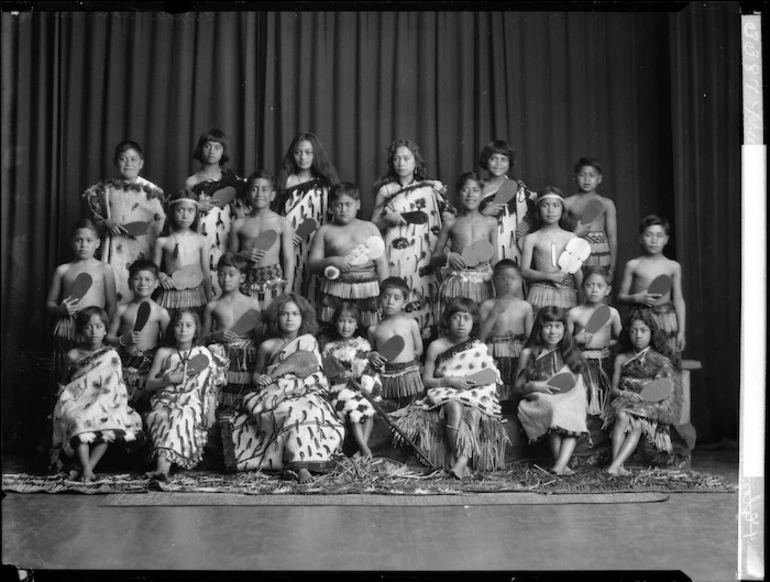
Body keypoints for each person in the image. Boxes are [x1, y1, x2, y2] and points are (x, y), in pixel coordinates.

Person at [219, 294, 344, 483]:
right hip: (274, 393)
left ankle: (301, 465)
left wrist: (297, 387)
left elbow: (315, 373)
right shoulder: (268, 346)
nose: (290, 318)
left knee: (309, 411)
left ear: (303, 318)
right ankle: (295, 465)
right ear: (277, 318)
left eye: (295, 314)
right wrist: (260, 378)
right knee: (288, 412)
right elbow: (258, 374)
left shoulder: (309, 342)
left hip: (306, 391)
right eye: (284, 314)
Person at [390, 297, 508, 478]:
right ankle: (462, 463)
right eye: (456, 317)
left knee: (474, 413)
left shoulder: (479, 347)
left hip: (475, 392)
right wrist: (449, 381)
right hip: (446, 389)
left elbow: (491, 376)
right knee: (453, 407)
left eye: (467, 318)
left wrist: (470, 383)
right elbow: (427, 380)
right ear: (448, 319)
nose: (461, 323)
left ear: (473, 321)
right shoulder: (436, 346)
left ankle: (461, 462)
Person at [371, 139, 454, 340]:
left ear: (416, 162)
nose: (401, 163)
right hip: (395, 255)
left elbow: (446, 219)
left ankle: (422, 346)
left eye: (406, 158)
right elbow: (371, 227)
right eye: (397, 159)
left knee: (424, 296)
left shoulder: (429, 189)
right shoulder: (386, 190)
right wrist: (386, 220)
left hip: (423, 255)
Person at [50, 307, 144, 481]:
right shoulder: (73, 355)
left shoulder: (110, 354)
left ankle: (87, 469)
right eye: (88, 327)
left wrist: (107, 401)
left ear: (105, 330)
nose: (94, 332)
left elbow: (115, 384)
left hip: (105, 401)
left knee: (109, 421)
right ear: (80, 331)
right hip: (77, 400)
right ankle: (86, 468)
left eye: (99, 326)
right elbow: (65, 384)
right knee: (79, 419)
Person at [143, 308, 228, 480]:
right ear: (172, 328)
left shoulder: (203, 353)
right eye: (179, 325)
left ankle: (162, 469)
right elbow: (149, 384)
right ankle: (162, 470)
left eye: (188, 325)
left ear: (196, 329)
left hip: (193, 402)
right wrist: (167, 380)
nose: (183, 330)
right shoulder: (164, 353)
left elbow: (210, 386)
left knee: (180, 415)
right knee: (162, 415)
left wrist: (210, 411)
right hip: (165, 399)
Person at [82, 140, 166, 304]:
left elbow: (161, 223)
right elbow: (94, 221)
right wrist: (106, 223)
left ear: (141, 163)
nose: (128, 164)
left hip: (144, 249)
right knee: (116, 287)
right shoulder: (105, 189)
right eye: (123, 159)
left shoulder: (152, 192)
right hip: (116, 250)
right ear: (115, 161)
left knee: (141, 287)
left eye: (133, 159)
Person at [602, 308, 683, 475]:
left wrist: (646, 403)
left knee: (637, 423)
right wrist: (626, 394)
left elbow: (666, 392)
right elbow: (614, 389)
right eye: (633, 331)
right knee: (623, 416)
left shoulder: (660, 361)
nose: (638, 336)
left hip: (649, 408)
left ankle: (614, 467)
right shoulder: (621, 358)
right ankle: (618, 466)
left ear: (651, 333)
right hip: (625, 403)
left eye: (643, 331)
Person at [515, 306, 590, 475]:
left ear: (565, 328)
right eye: (548, 326)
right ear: (539, 328)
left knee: (568, 409)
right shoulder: (529, 353)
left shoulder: (571, 353)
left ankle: (559, 465)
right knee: (555, 408)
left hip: (570, 399)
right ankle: (562, 465)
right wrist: (536, 386)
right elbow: (518, 388)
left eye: (558, 326)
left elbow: (577, 385)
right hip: (538, 399)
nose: (553, 331)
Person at [308, 181, 388, 331]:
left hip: (368, 289)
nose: (343, 209)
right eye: (338, 205)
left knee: (368, 329)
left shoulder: (370, 228)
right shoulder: (324, 231)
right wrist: (332, 261)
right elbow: (312, 264)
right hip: (336, 288)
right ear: (331, 208)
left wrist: (385, 292)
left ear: (358, 204)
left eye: (348, 204)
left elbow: (382, 263)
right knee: (333, 329)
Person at [46, 219, 117, 381]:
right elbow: (49, 304)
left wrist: (108, 331)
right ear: (72, 243)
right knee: (65, 368)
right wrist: (60, 310)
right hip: (67, 327)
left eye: (89, 240)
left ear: (97, 243)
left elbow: (112, 304)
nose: (83, 245)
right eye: (78, 240)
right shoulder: (63, 270)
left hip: (94, 326)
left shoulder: (104, 269)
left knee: (92, 372)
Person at [273, 132, 340, 298]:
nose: (303, 157)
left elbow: (333, 218)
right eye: (298, 152)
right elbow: (275, 215)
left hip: (317, 244)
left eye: (308, 152)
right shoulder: (286, 181)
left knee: (314, 287)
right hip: (290, 245)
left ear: (316, 154)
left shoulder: (327, 183)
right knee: (291, 282)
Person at [617, 215, 686, 367]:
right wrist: (637, 298)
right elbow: (621, 297)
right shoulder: (634, 265)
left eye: (659, 236)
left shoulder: (673, 266)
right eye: (649, 235)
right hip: (642, 318)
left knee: (667, 363)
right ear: (640, 238)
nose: (654, 240)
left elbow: (679, 299)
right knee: (643, 364)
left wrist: (682, 331)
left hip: (667, 320)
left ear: (666, 239)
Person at [184, 128, 246, 298]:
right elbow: (184, 212)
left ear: (223, 151)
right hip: (201, 232)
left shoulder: (231, 179)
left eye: (217, 147)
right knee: (200, 269)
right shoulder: (192, 181)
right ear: (200, 149)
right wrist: (197, 205)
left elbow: (240, 210)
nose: (212, 151)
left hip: (224, 233)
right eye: (207, 146)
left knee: (222, 270)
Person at [106, 259, 170, 413]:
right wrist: (123, 340)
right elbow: (108, 338)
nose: (142, 283)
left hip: (148, 370)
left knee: (144, 408)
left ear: (156, 284)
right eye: (137, 278)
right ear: (129, 282)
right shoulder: (122, 310)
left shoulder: (161, 312)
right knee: (122, 407)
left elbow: (169, 343)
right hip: (124, 368)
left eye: (148, 279)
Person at [431, 171, 497, 319]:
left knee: (478, 323)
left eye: (475, 190)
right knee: (456, 322)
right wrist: (448, 256)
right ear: (458, 195)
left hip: (483, 284)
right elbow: (433, 258)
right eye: (465, 189)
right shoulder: (450, 223)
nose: (470, 194)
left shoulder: (490, 223)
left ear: (482, 195)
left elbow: (495, 261)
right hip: (457, 284)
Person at [201, 252, 263, 409]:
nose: (225, 279)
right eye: (221, 274)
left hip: (246, 359)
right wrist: (215, 335)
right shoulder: (212, 306)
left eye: (231, 274)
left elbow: (259, 337)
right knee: (223, 397)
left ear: (241, 278)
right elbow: (201, 341)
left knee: (244, 398)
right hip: (224, 359)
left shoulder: (252, 303)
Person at [321, 302, 382, 459]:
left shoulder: (362, 343)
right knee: (352, 406)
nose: (346, 326)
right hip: (340, 388)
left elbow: (367, 366)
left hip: (360, 385)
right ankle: (364, 448)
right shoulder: (329, 347)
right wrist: (339, 375)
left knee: (368, 405)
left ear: (356, 325)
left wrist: (371, 358)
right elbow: (327, 371)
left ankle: (362, 450)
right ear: (336, 322)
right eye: (342, 321)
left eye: (350, 321)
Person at [230, 170, 295, 309]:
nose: (259, 194)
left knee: (272, 325)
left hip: (274, 285)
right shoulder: (238, 224)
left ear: (272, 195)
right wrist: (242, 255)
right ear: (248, 194)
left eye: (264, 190)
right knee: (248, 326)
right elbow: (229, 259)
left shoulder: (282, 222)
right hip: (246, 285)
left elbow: (289, 259)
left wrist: (287, 292)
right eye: (254, 189)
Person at [567, 267, 622, 415]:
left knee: (604, 395)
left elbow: (623, 340)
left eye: (600, 286)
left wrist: (610, 344)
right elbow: (563, 343)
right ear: (582, 287)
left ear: (608, 289)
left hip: (605, 362)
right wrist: (576, 339)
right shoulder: (574, 313)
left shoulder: (612, 313)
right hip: (581, 362)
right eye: (589, 285)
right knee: (584, 396)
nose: (594, 290)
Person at [520, 187, 583, 315]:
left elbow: (577, 273)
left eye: (555, 205)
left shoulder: (571, 237)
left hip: (566, 294)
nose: (550, 210)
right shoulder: (532, 238)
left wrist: (582, 302)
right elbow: (524, 271)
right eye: (545, 206)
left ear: (562, 209)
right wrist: (550, 276)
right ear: (538, 209)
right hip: (540, 293)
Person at [479, 260, 533, 403]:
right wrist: (494, 313)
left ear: (520, 281)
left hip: (518, 353)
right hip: (494, 351)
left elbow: (530, 338)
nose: (508, 282)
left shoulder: (525, 307)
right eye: (503, 277)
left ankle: (516, 400)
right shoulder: (488, 305)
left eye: (513, 278)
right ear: (494, 280)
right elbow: (480, 339)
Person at [477, 139, 537, 268]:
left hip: (511, 247)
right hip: (484, 243)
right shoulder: (476, 188)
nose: (498, 163)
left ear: (510, 163)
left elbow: (536, 209)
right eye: (494, 158)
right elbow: (466, 219)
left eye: (503, 159)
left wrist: (523, 228)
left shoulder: (517, 187)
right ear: (486, 160)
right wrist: (483, 214)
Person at [367, 277, 424, 409]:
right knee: (389, 411)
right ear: (379, 299)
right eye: (386, 297)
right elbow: (372, 352)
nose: (390, 302)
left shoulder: (411, 324)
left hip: (409, 375)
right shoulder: (373, 329)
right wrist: (373, 356)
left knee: (411, 410)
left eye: (396, 298)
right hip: (387, 377)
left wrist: (408, 362)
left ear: (404, 303)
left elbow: (419, 350)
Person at [153, 190, 211, 318]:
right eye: (180, 210)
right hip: (170, 294)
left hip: (195, 294)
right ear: (172, 212)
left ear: (196, 213)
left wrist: (209, 300)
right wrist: (162, 276)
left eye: (190, 210)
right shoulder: (162, 241)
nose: (185, 215)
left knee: (193, 327)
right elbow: (153, 270)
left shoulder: (201, 240)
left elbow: (206, 272)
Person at [563, 158, 618, 279]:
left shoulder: (607, 203)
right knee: (577, 287)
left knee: (598, 289)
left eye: (592, 175)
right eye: (582, 175)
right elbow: (561, 234)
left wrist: (612, 267)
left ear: (599, 178)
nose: (587, 179)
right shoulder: (568, 203)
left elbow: (612, 237)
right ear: (574, 177)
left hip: (600, 252)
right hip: (577, 249)